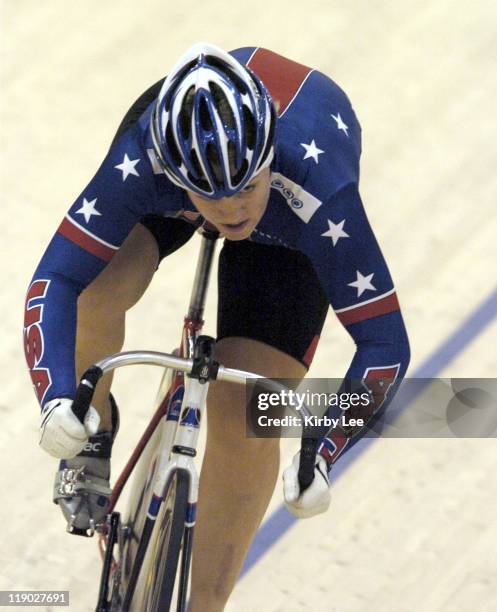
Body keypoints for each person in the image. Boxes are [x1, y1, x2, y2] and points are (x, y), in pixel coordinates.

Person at [23, 43, 410, 610]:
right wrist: (58, 395)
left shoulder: (322, 193)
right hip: (173, 195)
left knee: (249, 411)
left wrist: (322, 449)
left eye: (245, 188)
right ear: (176, 175)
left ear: (269, 164)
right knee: (101, 289)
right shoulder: (145, 158)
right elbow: (57, 280)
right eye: (210, 194)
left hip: (289, 227)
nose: (231, 210)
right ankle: (92, 437)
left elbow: (385, 344)